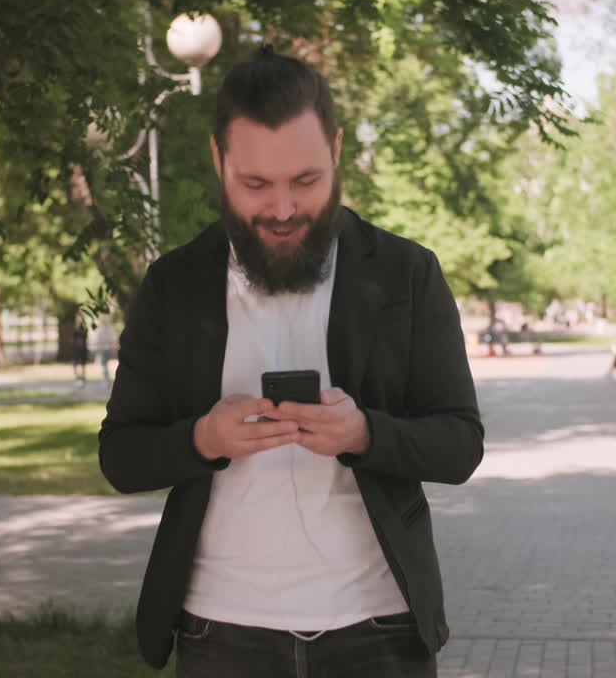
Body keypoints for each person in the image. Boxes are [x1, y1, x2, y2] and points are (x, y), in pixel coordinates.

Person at [98, 46, 483, 677]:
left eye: (304, 181)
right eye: (256, 185)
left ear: (335, 150)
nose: (281, 210)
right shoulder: (175, 285)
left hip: (379, 629)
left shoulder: (407, 275)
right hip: (221, 631)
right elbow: (120, 457)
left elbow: (460, 444)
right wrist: (202, 439)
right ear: (220, 162)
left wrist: (366, 434)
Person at [92, 319, 118, 385]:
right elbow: (113, 339)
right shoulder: (109, 329)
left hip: (103, 349)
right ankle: (106, 379)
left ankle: (106, 379)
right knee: (105, 364)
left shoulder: (100, 330)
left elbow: (96, 340)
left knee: (104, 365)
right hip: (106, 348)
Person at [71, 319, 89, 387]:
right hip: (78, 350)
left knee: (81, 364)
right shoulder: (77, 332)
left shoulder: (83, 332)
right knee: (78, 364)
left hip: (81, 350)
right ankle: (78, 376)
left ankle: (81, 376)